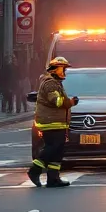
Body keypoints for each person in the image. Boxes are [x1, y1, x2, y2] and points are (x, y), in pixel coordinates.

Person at [28, 56, 79, 188]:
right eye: (63, 69)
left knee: (58, 151)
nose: (65, 72)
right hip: (51, 123)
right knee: (52, 148)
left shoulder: (55, 83)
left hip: (57, 123)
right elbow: (57, 102)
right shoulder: (50, 83)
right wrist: (71, 102)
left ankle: (53, 178)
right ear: (56, 69)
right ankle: (35, 171)